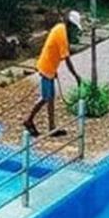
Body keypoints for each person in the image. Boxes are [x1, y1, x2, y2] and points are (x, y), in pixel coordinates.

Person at [25, 10, 83, 138]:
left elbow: (52, 50)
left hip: (49, 68)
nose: (74, 31)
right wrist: (76, 76)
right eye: (74, 28)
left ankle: (52, 127)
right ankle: (29, 120)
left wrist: (54, 70)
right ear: (70, 25)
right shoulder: (62, 36)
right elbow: (67, 60)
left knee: (50, 98)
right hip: (46, 69)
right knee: (46, 98)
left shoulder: (60, 28)